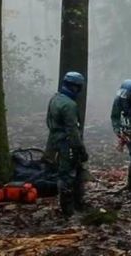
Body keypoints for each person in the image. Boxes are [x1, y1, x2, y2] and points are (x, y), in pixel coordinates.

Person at [45, 71, 89, 216]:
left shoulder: (55, 99)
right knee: (67, 176)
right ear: (76, 87)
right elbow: (73, 131)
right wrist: (81, 150)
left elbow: (48, 122)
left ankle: (76, 205)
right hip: (67, 144)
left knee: (71, 174)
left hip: (54, 141)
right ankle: (69, 210)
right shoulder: (69, 105)